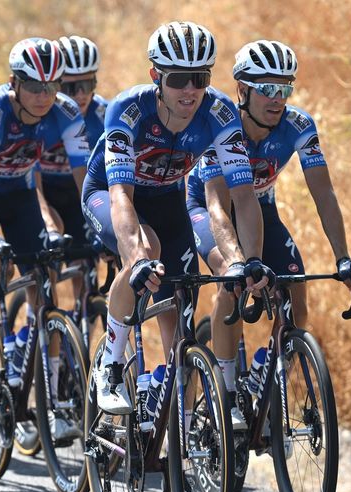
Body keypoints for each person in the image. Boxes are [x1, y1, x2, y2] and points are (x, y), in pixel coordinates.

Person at [82, 21, 271, 415]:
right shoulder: (128, 109)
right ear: (156, 76)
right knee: (147, 250)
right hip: (110, 194)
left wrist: (249, 260)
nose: (190, 90)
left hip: (168, 199)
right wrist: (136, 257)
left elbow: (244, 194)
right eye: (179, 78)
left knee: (179, 319)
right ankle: (112, 364)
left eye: (199, 78)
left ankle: (169, 420)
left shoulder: (219, 113)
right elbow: (120, 195)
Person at [186, 39, 351, 427]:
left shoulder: (299, 126)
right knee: (230, 283)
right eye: (268, 89)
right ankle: (227, 391)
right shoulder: (220, 125)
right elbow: (218, 207)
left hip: (260, 206)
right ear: (243, 91)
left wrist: (343, 257)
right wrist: (240, 263)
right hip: (208, 206)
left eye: (285, 89)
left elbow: (324, 195)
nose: (277, 98)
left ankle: (267, 368)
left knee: (296, 288)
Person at [0, 37, 90, 440]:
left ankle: (47, 398)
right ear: (14, 82)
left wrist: (99, 229)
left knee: (45, 284)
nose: (44, 96)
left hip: (23, 193)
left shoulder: (64, 111)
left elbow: (86, 182)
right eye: (34, 87)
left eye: (53, 86)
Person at [38, 35, 108, 312]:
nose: (80, 94)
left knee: (85, 267)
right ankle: (40, 319)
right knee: (47, 267)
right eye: (71, 86)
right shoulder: (41, 111)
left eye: (88, 84)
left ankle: (78, 335)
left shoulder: (103, 114)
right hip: (44, 191)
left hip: (81, 191)